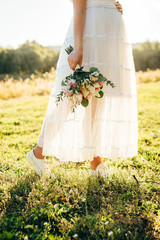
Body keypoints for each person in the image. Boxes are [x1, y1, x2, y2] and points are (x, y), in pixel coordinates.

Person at [26, 0, 138, 177]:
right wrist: (78, 49)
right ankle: (38, 152)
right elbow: (79, 10)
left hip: (110, 33)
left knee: (99, 94)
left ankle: (96, 162)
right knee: (72, 95)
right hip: (90, 33)